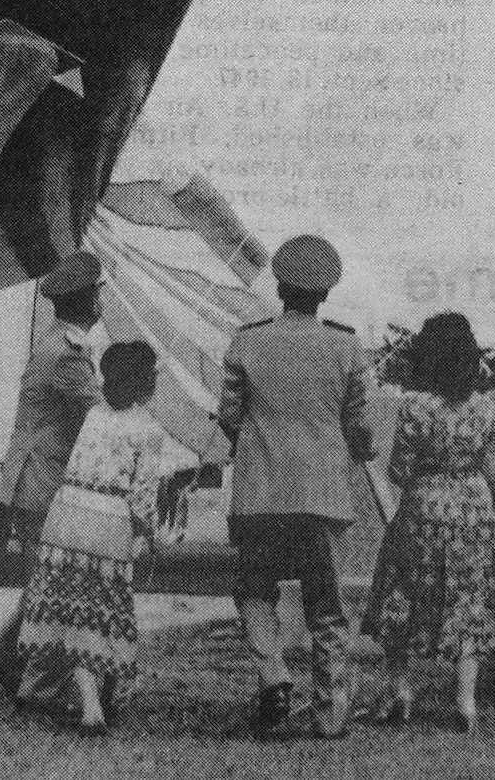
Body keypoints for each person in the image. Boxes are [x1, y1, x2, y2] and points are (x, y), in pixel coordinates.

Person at [220, 234, 373, 739]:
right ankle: (330, 712)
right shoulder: (347, 346)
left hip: (259, 495)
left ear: (281, 287)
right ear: (325, 294)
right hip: (322, 497)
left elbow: (230, 417)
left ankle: (274, 678)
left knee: (255, 591)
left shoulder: (247, 341)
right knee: (325, 606)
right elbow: (360, 430)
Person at [13, 341, 168, 733]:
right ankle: (95, 703)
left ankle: (62, 693)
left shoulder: (95, 415)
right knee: (102, 610)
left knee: (68, 607)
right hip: (110, 519)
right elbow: (144, 493)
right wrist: (146, 534)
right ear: (145, 381)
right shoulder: (148, 429)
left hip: (67, 513)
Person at [362, 313, 495, 732]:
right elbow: (490, 466)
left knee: (402, 592)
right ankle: (465, 700)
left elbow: (400, 470)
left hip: (423, 505)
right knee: (468, 597)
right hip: (472, 506)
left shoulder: (412, 405)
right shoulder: (487, 408)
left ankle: (400, 688)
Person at [0, 251, 103, 694]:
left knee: (42, 578)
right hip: (43, 479)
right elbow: (98, 411)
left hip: (34, 475)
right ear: (87, 301)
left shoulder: (61, 345)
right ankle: (28, 674)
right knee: (47, 580)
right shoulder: (67, 354)